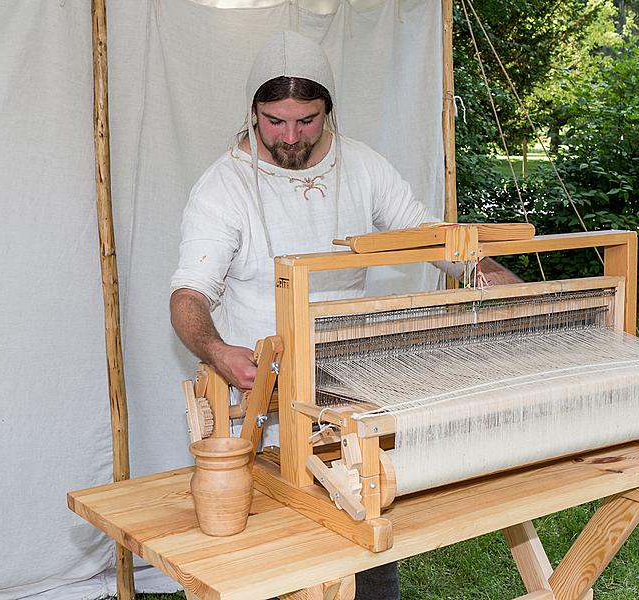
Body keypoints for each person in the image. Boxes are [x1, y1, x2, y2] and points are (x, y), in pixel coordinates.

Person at [170, 30, 517, 600]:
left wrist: (482, 271)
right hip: (263, 383)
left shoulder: (362, 166)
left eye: (305, 121)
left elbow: (426, 237)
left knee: (361, 502)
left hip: (349, 372)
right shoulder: (223, 186)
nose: (288, 137)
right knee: (264, 536)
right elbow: (189, 295)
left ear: (329, 109)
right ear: (253, 112)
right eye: (274, 121)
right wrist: (216, 351)